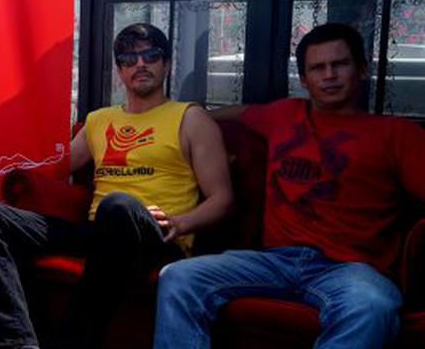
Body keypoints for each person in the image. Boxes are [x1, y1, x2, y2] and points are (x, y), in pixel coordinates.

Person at [154, 22, 425, 349]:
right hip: (274, 261)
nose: (329, 75)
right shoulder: (283, 114)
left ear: (362, 69)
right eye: (317, 68)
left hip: (350, 269)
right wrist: (204, 143)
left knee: (372, 305)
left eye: (339, 64)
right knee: (179, 277)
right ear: (304, 79)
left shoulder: (397, 134)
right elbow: (224, 115)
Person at [0, 22, 233, 348]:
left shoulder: (190, 118)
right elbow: (52, 168)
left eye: (150, 55)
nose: (140, 64)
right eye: (129, 59)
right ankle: (19, 342)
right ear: (119, 70)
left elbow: (222, 199)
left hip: (157, 236)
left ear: (166, 64)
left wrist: (180, 223)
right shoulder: (99, 120)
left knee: (118, 205)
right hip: (99, 232)